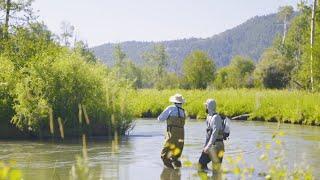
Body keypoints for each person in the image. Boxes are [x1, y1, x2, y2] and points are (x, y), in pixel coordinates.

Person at [158, 94, 186, 169]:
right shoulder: (183, 112)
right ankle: (178, 173)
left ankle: (171, 171)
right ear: (181, 102)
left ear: (174, 102)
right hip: (181, 137)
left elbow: (160, 119)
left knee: (164, 156)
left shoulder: (170, 108)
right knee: (175, 157)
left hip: (172, 135)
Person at [198, 99, 226, 174]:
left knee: (215, 170)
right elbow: (209, 135)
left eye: (206, 106)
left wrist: (208, 146)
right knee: (201, 165)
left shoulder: (216, 118)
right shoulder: (209, 117)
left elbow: (214, 134)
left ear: (208, 107)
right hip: (212, 145)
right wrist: (205, 146)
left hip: (217, 146)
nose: (205, 107)